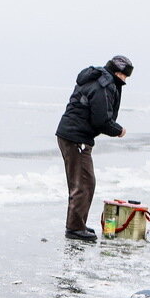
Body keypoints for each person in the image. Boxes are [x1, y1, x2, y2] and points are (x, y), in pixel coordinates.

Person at [55, 55, 133, 241]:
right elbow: (100, 120)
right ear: (118, 73)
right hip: (76, 137)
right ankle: (74, 228)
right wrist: (118, 130)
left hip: (70, 134)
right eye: (125, 77)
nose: (125, 81)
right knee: (84, 184)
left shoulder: (96, 77)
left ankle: (76, 225)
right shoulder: (104, 85)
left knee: (82, 183)